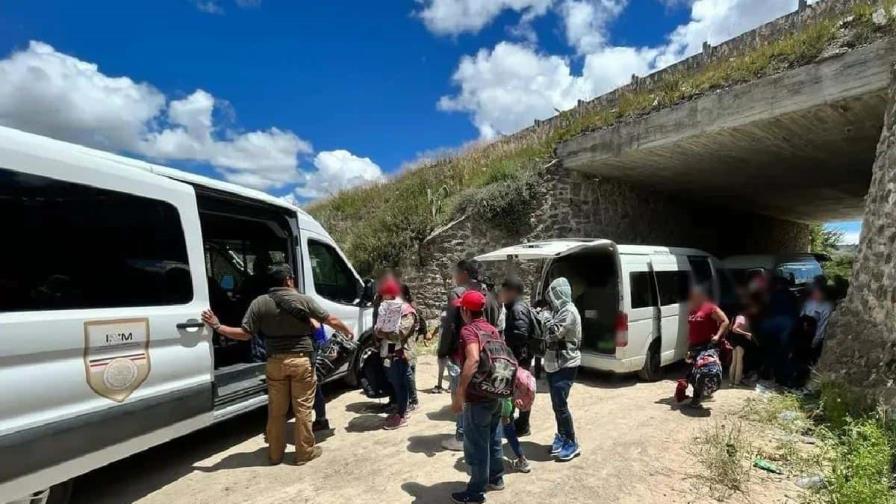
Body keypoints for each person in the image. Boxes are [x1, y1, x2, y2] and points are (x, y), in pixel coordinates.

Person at [201, 263, 354, 465]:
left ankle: (275, 454)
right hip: (301, 361)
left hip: (275, 363)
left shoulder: (259, 303)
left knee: (276, 411)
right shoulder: (303, 300)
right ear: (288, 280)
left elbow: (245, 334)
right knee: (302, 410)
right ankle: (304, 453)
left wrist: (218, 326)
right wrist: (347, 331)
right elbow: (330, 319)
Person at [439, 258, 501, 451]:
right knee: (483, 394)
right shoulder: (490, 296)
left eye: (456, 273)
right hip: (487, 357)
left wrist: (443, 351)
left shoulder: (459, 294)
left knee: (463, 393)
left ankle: (461, 435)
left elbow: (449, 327)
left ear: (464, 274)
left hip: (464, 355)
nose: (454, 277)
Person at [450, 290, 505, 504]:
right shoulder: (492, 330)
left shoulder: (468, 331)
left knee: (477, 445)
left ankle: (476, 492)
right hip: (495, 393)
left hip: (477, 397)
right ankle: (496, 478)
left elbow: (472, 359)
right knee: (493, 439)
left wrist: (459, 393)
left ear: (465, 310)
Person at [541, 277, 583, 462]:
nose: (551, 301)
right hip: (554, 363)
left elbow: (553, 333)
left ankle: (572, 442)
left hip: (566, 363)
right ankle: (561, 436)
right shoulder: (560, 311)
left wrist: (545, 318)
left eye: (553, 296)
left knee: (561, 405)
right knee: (556, 405)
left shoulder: (569, 312)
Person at [674, 286, 730, 407]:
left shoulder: (710, 308)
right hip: (694, 346)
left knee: (702, 371)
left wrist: (717, 336)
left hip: (707, 345)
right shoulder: (693, 309)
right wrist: (688, 345)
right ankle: (695, 393)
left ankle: (696, 397)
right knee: (691, 372)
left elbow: (725, 321)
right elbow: (692, 329)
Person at [375, 278, 418, 430]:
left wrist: (382, 333)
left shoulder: (407, 311)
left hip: (402, 353)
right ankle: (399, 409)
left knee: (403, 382)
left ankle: (403, 413)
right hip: (390, 351)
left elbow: (400, 333)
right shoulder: (385, 309)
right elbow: (379, 329)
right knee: (395, 381)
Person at [501, 275, 534, 436]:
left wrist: (510, 354)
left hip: (519, 358)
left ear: (512, 292)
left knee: (521, 390)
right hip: (518, 357)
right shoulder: (515, 307)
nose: (502, 294)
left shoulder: (518, 309)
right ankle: (518, 423)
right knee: (518, 390)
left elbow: (520, 334)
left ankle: (522, 425)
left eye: (505, 291)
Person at [801, 282, 833, 363]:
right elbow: (801, 315)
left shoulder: (827, 306)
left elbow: (823, 325)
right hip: (803, 334)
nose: (815, 295)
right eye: (814, 292)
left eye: (818, 292)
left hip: (815, 335)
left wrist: (815, 340)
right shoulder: (808, 302)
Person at [728, 302, 758, 387]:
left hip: (734, 342)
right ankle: (737, 382)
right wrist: (746, 333)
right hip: (740, 342)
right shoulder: (741, 317)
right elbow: (734, 329)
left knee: (734, 362)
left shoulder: (734, 317)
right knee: (739, 362)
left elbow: (730, 328)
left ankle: (731, 381)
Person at [500, 397, 531, 473]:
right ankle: (522, 460)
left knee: (508, 431)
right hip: (510, 400)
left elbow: (506, 395)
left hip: (502, 404)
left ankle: (522, 460)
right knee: (509, 431)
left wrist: (506, 414)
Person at [311, 319, 330, 432]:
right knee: (315, 388)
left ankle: (321, 419)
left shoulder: (303, 308)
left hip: (314, 349)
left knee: (315, 389)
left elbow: (316, 326)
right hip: (318, 346)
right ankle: (321, 419)